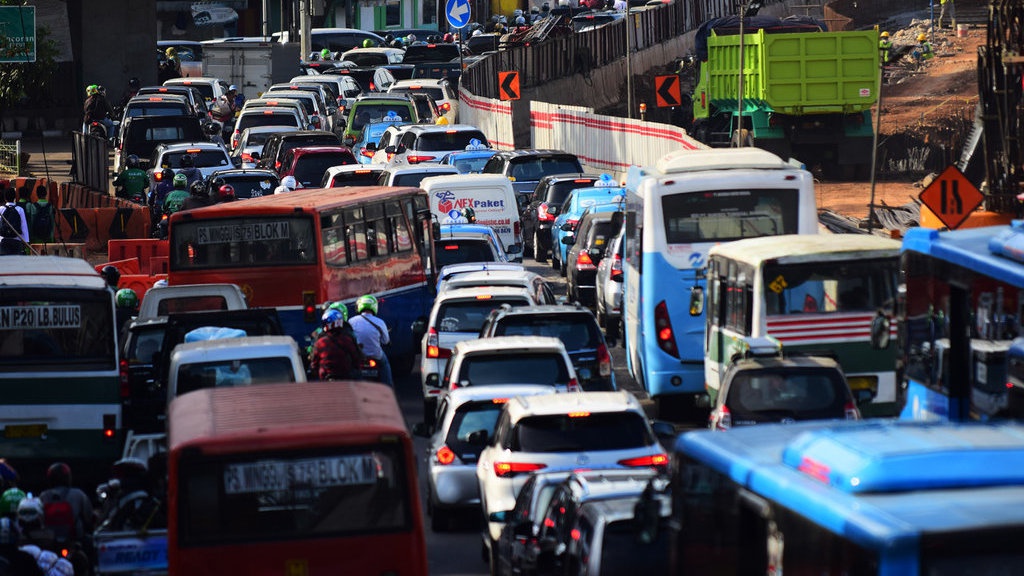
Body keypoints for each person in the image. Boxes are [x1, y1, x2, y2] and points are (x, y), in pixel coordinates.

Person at [38, 463, 94, 554]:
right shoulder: (78, 494)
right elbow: (88, 518)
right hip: (74, 541)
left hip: (49, 543)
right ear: (68, 478)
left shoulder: (43, 496)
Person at [348, 295, 393, 386]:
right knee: (385, 364)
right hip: (376, 355)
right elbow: (385, 341)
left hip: (358, 356)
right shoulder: (380, 322)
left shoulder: (351, 321)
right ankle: (388, 387)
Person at [310, 308, 362, 381]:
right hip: (345, 377)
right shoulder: (347, 340)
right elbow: (356, 358)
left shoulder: (320, 342)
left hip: (326, 378)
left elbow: (314, 364)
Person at [0, 187, 29, 256]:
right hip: (17, 240)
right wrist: (26, 241)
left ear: (5, 198)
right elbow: (24, 226)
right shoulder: (20, 209)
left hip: (3, 240)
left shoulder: (1, 209)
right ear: (15, 198)